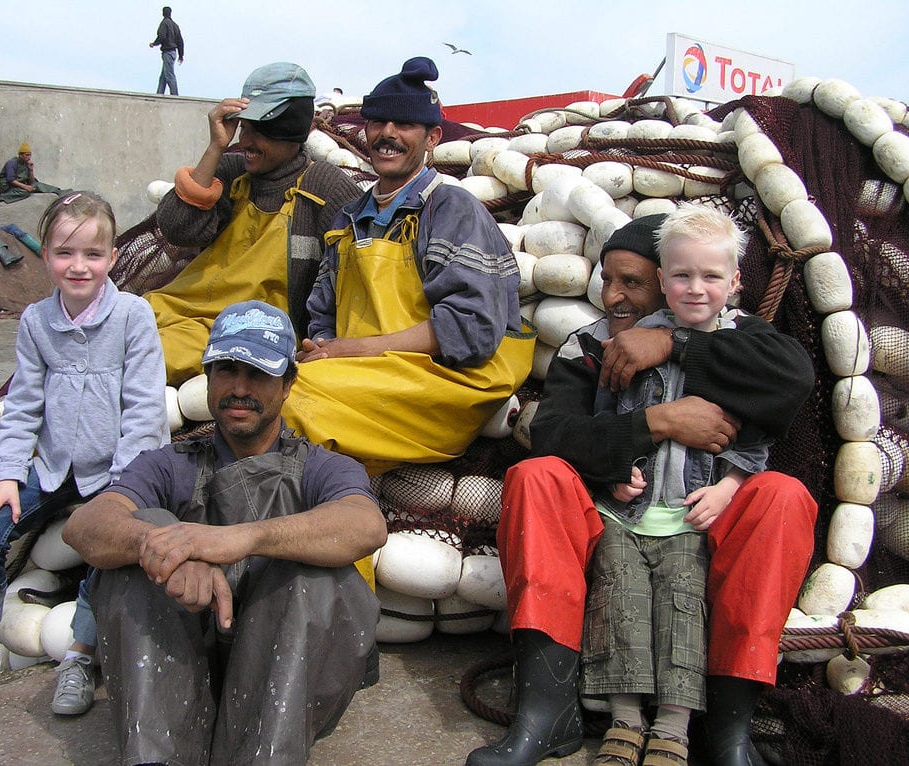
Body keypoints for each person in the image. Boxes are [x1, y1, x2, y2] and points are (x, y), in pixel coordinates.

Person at [466, 214, 818, 766]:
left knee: (783, 496)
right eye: (607, 279)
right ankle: (547, 712)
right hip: (618, 522)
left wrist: (674, 344)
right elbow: (555, 434)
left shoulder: (740, 336)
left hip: (703, 519)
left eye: (632, 282)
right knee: (536, 477)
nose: (614, 296)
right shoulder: (589, 346)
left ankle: (728, 732)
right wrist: (659, 422)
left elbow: (793, 380)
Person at [61, 300, 386, 765]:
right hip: (183, 672)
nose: (239, 388)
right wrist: (165, 550)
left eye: (257, 374)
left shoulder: (323, 467)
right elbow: (85, 525)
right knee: (139, 546)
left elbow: (364, 524)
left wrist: (240, 538)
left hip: (283, 681)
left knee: (317, 575)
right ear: (208, 378)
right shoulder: (169, 463)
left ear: (288, 384)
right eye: (226, 371)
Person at [0, 192, 169, 720]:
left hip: (113, 471)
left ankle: (79, 656)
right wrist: (5, 476)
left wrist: (122, 488)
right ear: (45, 256)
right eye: (65, 253)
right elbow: (22, 405)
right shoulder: (36, 322)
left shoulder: (133, 317)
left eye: (93, 254)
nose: (79, 266)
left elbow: (142, 409)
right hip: (50, 467)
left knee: (106, 551)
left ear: (113, 257)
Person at [582, 205, 771, 766]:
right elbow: (606, 419)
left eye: (711, 276)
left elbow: (755, 436)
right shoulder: (634, 342)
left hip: (690, 516)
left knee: (683, 608)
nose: (696, 288)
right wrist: (613, 474)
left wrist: (729, 487)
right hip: (631, 514)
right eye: (682, 276)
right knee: (621, 601)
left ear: (734, 283)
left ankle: (672, 728)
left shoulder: (742, 351)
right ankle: (624, 721)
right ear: (663, 282)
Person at [281, 57, 535, 475]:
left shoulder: (452, 210)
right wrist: (322, 347)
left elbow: (470, 330)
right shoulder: (349, 217)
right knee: (276, 386)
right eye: (378, 122)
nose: (387, 135)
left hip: (440, 385)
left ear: (433, 136)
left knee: (292, 398)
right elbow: (322, 312)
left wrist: (349, 351)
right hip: (367, 377)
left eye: (404, 125)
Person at [147, 61, 362, 385]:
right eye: (243, 127)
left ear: (291, 132)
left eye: (258, 130)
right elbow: (177, 228)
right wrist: (216, 146)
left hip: (244, 332)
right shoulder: (232, 171)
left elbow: (359, 271)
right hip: (176, 309)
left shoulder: (324, 187)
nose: (245, 140)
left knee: (140, 357)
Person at [0, 143, 66, 204]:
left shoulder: (26, 164)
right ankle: (2, 197)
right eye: (27, 155)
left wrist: (31, 170)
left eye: (30, 155)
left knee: (37, 184)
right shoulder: (11, 163)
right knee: (24, 192)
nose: (29, 157)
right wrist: (25, 187)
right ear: (20, 155)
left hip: (20, 185)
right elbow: (11, 180)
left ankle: (59, 191)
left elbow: (32, 182)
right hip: (9, 187)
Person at [150, 5, 184, 96]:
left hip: (167, 52)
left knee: (169, 75)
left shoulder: (164, 23)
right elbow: (180, 41)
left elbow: (162, 36)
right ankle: (159, 94)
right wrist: (181, 55)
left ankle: (175, 96)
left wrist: (154, 43)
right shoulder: (175, 25)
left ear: (163, 13)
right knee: (163, 77)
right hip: (173, 52)